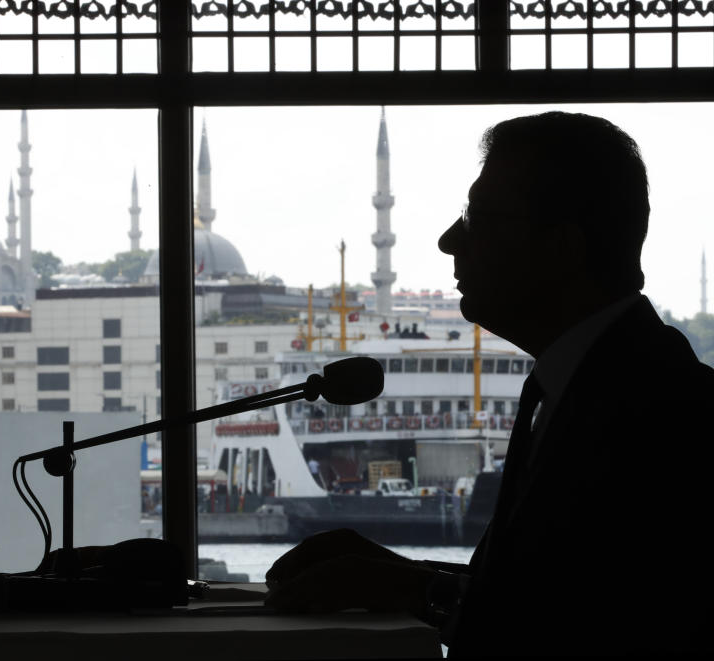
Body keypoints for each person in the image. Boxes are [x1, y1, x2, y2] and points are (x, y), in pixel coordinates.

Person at [264, 112, 714, 655]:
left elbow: (605, 623)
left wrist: (417, 590)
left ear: (562, 248)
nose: (450, 240)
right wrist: (393, 572)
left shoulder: (667, 415)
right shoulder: (588, 382)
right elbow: (545, 587)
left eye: (478, 218)